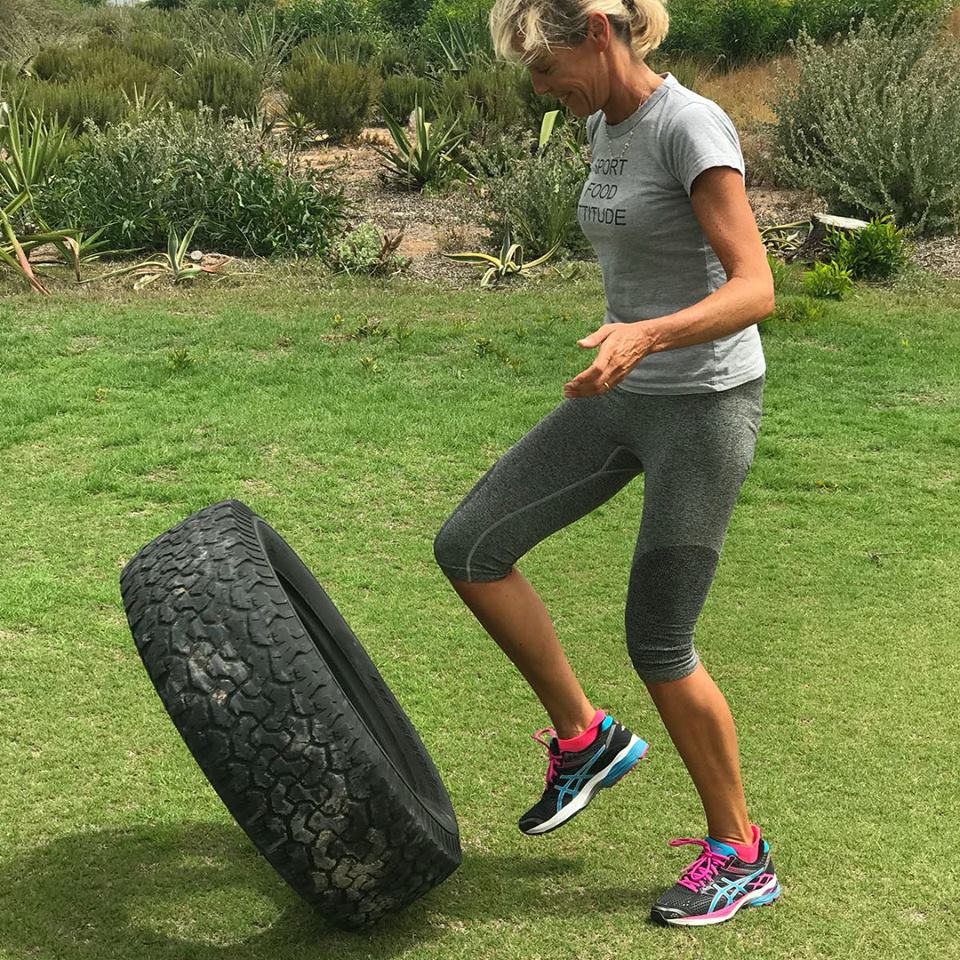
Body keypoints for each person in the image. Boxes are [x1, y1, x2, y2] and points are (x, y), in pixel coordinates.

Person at [433, 0, 780, 927]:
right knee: (470, 546)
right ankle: (585, 740)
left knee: (659, 642)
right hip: (619, 394)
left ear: (598, 31)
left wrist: (648, 335)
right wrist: (626, 345)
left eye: (544, 67)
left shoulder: (690, 124)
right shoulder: (600, 124)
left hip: (703, 409)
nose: (536, 87)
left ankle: (740, 853)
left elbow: (756, 287)